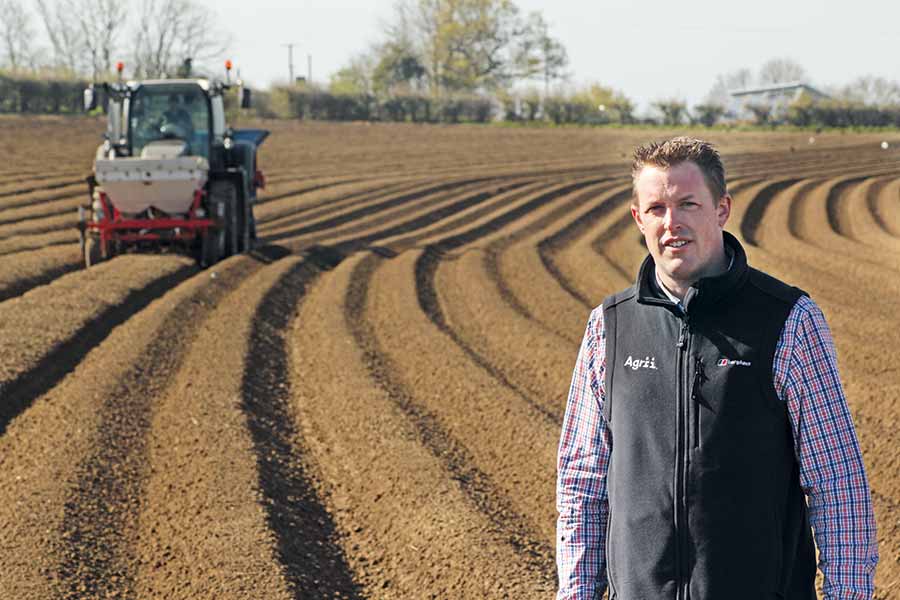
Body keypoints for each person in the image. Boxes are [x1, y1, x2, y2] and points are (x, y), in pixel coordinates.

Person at [556, 137, 878, 600]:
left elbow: (836, 481)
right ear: (637, 218)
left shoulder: (787, 320)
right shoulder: (610, 327)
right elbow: (582, 484)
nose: (672, 224)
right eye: (656, 209)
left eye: (688, 204)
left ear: (722, 209)